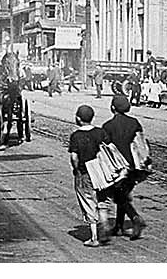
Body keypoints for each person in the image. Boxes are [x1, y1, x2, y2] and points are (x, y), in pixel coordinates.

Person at [102, 94, 146, 240]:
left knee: (119, 195)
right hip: (134, 166)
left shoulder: (107, 126)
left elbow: (106, 149)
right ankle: (119, 226)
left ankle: (135, 218)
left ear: (112, 108)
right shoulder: (135, 123)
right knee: (122, 194)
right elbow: (140, 143)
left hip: (118, 166)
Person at [68, 104, 111, 248]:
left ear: (78, 119)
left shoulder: (76, 136)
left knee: (88, 202)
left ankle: (94, 237)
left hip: (85, 172)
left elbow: (74, 157)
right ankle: (104, 225)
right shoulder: (100, 132)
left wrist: (76, 169)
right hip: (102, 172)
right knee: (102, 198)